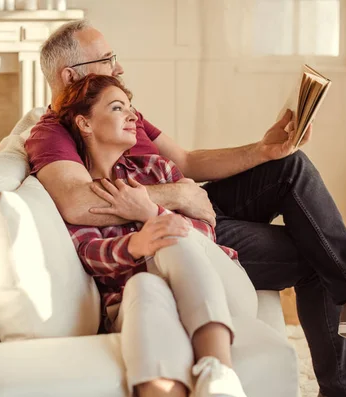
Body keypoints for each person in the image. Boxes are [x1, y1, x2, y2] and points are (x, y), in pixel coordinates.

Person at [26, 20, 346, 397]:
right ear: (71, 75)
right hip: (179, 227)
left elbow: (188, 162)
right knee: (317, 251)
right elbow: (79, 201)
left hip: (196, 209)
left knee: (289, 164)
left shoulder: (121, 111)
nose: (119, 67)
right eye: (107, 58)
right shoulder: (54, 132)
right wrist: (177, 197)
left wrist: (263, 149)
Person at [56, 73, 258, 397]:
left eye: (130, 107)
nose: (134, 115)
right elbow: (86, 253)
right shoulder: (80, 195)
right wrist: (135, 244)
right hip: (140, 303)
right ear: (85, 123)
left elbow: (205, 226)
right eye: (118, 107)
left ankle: (218, 370)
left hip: (221, 289)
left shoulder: (157, 169)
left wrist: (151, 213)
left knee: (169, 234)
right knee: (142, 283)